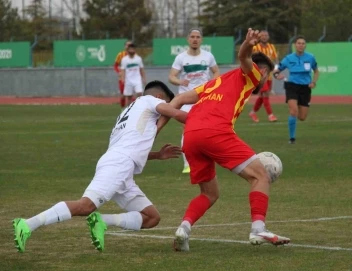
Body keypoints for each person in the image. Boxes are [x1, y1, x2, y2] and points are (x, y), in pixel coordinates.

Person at [13, 81, 188, 253]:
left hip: (120, 166)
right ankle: (27, 224)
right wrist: (207, 120)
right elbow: (176, 113)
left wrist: (157, 155)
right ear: (158, 97)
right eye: (164, 101)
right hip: (118, 165)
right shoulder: (150, 101)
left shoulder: (129, 112)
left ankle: (102, 221)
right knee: (85, 206)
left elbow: (131, 147)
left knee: (151, 217)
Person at [157, 28, 290, 252]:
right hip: (215, 132)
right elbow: (244, 57)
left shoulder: (214, 83)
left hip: (190, 135)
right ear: (263, 70)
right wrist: (248, 44)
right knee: (261, 175)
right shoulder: (253, 73)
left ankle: (183, 228)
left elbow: (178, 99)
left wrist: (156, 129)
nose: (265, 79)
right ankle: (258, 228)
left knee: (209, 193)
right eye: (266, 74)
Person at [169, 28, 220, 174]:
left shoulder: (208, 56)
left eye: (198, 37)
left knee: (207, 130)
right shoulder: (181, 58)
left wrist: (213, 83)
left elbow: (216, 71)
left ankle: (206, 160)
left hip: (204, 99)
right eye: (192, 37)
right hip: (185, 100)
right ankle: (187, 164)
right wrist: (179, 81)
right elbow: (171, 76)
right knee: (187, 131)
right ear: (188, 39)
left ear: (201, 40)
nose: (195, 39)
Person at [273, 35, 319, 144]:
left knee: (302, 117)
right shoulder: (288, 58)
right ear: (295, 45)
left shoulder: (310, 57)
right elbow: (276, 71)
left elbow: (316, 71)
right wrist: (276, 76)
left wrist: (313, 82)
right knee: (293, 111)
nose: (301, 45)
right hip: (292, 86)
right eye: (299, 43)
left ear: (305, 45)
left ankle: (296, 112)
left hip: (305, 88)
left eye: (303, 43)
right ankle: (292, 138)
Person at [249, 30, 278, 122]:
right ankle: (271, 115)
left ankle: (253, 112)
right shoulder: (255, 47)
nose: (264, 37)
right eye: (263, 35)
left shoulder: (271, 47)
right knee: (265, 94)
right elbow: (250, 59)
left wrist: (276, 69)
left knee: (263, 96)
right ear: (260, 37)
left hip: (269, 75)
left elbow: (275, 59)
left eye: (266, 35)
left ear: (268, 37)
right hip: (259, 75)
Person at [114, 40, 132, 109]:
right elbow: (115, 65)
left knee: (131, 95)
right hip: (123, 77)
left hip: (131, 78)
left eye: (130, 45)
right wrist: (119, 72)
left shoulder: (135, 56)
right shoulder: (120, 55)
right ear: (125, 46)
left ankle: (130, 110)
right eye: (127, 45)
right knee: (123, 95)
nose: (129, 46)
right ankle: (122, 109)